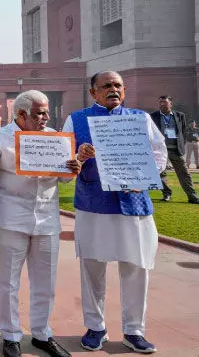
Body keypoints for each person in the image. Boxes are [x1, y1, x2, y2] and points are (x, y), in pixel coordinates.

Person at [62, 71, 166, 353]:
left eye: (118, 85)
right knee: (92, 268)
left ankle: (134, 330)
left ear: (125, 90)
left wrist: (144, 178)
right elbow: (63, 162)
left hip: (133, 206)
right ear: (93, 92)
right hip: (94, 204)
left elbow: (158, 153)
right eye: (106, 85)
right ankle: (95, 327)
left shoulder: (140, 119)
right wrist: (77, 158)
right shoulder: (76, 119)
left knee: (136, 268)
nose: (113, 89)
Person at [0, 91, 79, 357]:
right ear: (20, 114)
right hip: (12, 218)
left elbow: (64, 179)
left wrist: (74, 167)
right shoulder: (3, 136)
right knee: (8, 281)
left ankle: (42, 333)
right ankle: (10, 336)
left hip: (47, 218)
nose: (45, 118)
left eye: (46, 112)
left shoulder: (55, 136)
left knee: (46, 281)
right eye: (39, 113)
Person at [150, 96, 199, 203]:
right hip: (161, 150)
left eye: (164, 102)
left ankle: (193, 196)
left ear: (171, 104)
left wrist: (181, 144)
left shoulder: (180, 116)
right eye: (160, 102)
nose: (161, 104)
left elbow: (183, 132)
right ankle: (166, 194)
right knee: (160, 173)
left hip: (175, 150)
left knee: (184, 173)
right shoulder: (153, 116)